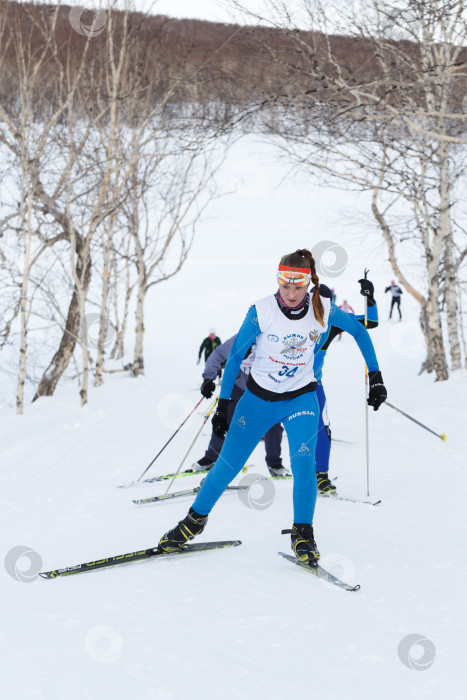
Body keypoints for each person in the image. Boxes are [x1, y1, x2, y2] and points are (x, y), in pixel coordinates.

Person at [158, 249, 387, 566]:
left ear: (308, 284)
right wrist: (224, 405)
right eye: (285, 286)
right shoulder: (261, 310)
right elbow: (236, 356)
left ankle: (303, 533)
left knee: (304, 465)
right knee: (227, 466)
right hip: (257, 402)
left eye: (298, 286)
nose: (291, 294)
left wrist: (375, 376)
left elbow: (362, 330)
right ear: (278, 282)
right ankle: (193, 522)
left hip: (300, 399)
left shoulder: (324, 310)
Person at [312, 277, 379, 493]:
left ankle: (320, 476)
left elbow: (369, 323)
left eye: (326, 306)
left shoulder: (332, 321)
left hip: (312, 383)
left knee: (323, 427)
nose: (321, 310)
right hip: (280, 384)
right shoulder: (293, 316)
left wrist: (370, 300)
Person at [193, 335, 287, 476]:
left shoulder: (274, 340)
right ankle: (211, 458)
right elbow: (217, 354)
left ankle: (275, 464)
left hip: (265, 390)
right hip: (239, 387)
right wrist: (208, 378)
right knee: (223, 420)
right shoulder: (240, 338)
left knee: (273, 424)